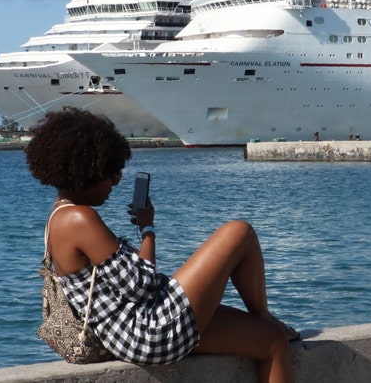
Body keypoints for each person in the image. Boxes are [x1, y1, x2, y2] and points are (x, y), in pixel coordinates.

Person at [26, 107, 294, 382]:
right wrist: (148, 229)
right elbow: (143, 286)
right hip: (146, 331)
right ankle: (264, 314)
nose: (116, 182)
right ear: (86, 170)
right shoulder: (78, 218)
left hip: (132, 332)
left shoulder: (59, 216)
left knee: (271, 341)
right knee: (240, 232)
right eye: (111, 172)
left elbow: (129, 284)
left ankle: (266, 322)